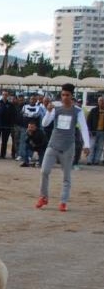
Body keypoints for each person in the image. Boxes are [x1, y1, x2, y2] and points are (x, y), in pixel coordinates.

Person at [36, 83, 92, 212]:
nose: (65, 97)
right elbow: (45, 123)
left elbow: (84, 128)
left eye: (67, 95)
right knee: (44, 171)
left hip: (68, 146)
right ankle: (43, 197)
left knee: (66, 176)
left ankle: (63, 201)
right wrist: (48, 112)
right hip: (53, 144)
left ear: (72, 96)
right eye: (63, 95)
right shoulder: (56, 108)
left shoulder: (77, 111)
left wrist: (87, 144)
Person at [86, 96, 104, 165]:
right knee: (92, 146)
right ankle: (89, 160)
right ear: (98, 102)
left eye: (102, 101)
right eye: (100, 101)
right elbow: (89, 120)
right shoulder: (93, 110)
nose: (101, 102)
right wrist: (89, 130)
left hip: (102, 132)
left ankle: (96, 161)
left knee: (100, 147)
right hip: (93, 131)